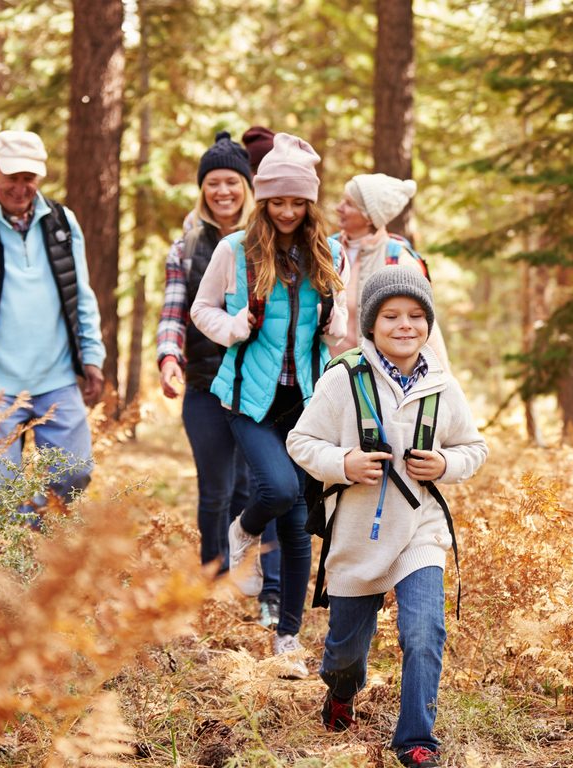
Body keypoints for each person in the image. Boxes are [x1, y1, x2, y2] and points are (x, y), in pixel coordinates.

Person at [286, 268, 487, 768]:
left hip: (420, 529)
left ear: (428, 323)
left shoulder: (442, 385)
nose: (405, 326)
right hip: (358, 533)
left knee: (425, 630)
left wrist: (446, 464)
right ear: (371, 324)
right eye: (391, 316)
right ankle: (339, 692)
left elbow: (474, 447)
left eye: (416, 316)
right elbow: (300, 442)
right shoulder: (342, 379)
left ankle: (417, 739)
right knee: (345, 654)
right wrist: (344, 463)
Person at [191, 132, 347, 677]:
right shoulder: (234, 250)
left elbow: (337, 329)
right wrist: (232, 327)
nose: (285, 211)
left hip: (306, 399)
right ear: (263, 201)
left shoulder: (327, 253)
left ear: (309, 204)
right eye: (276, 201)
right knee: (277, 489)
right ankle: (242, 529)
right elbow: (201, 311)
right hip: (246, 397)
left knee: (300, 519)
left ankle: (287, 637)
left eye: (296, 202)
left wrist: (338, 329)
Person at [156, 131, 282, 628]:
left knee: (256, 489)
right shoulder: (185, 245)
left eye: (231, 181)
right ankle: (214, 585)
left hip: (258, 384)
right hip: (206, 383)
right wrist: (169, 356)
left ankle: (258, 584)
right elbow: (174, 313)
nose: (222, 191)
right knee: (214, 490)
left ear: (247, 185)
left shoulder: (267, 236)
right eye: (212, 183)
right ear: (202, 189)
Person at [0, 130, 105, 515]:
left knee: (74, 474)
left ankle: (34, 528)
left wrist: (91, 358)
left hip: (55, 378)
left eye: (29, 178)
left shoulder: (61, 222)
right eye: (12, 177)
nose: (21, 188)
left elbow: (81, 294)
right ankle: (7, 563)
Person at [331, 173, 449, 368]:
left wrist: (443, 385)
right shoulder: (325, 250)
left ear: (370, 217)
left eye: (349, 204)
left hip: (375, 381)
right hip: (325, 377)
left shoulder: (400, 261)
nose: (339, 208)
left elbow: (425, 325)